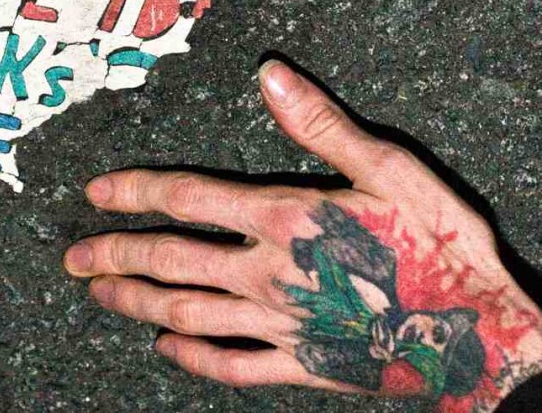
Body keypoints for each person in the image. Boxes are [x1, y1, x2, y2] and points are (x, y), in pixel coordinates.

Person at [64, 59, 542, 412]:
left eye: (431, 350)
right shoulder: (381, 270)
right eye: (440, 330)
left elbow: (322, 344)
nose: (423, 334)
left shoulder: (362, 341)